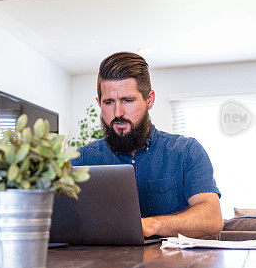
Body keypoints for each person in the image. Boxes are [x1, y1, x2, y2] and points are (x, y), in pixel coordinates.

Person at [72, 52, 223, 238]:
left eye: (127, 100)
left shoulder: (186, 152)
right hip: (101, 264)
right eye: (109, 102)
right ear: (99, 103)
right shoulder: (80, 160)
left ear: (149, 100)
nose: (118, 112)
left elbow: (212, 219)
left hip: (174, 265)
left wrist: (151, 225)